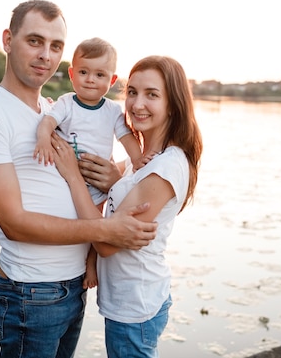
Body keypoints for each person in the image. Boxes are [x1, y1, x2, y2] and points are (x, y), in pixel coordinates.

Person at [0, 0, 157, 358]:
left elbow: (90, 166)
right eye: (34, 41)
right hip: (31, 293)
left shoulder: (54, 110)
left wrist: (116, 175)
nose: (45, 55)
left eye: (56, 46)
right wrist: (105, 231)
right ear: (7, 39)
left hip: (73, 286)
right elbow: (14, 223)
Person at [51, 55, 203, 358]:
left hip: (136, 305)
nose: (137, 104)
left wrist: (72, 175)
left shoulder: (166, 166)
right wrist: (112, 180)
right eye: (132, 92)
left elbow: (107, 244)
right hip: (131, 298)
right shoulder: (143, 160)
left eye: (152, 94)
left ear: (173, 104)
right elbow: (123, 196)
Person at [33, 37, 144, 289]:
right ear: (72, 74)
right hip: (67, 180)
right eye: (83, 72)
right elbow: (49, 122)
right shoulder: (66, 103)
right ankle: (72, 259)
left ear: (112, 80)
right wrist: (42, 138)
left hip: (97, 182)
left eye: (99, 74)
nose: (90, 79)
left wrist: (138, 160)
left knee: (99, 222)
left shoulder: (112, 111)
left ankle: (90, 264)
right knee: (81, 221)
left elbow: (126, 136)